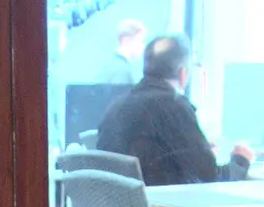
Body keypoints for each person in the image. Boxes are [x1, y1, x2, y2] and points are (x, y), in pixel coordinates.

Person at [95, 34, 252, 187]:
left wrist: (197, 149)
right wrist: (240, 161)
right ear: (183, 74)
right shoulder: (174, 106)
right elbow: (210, 177)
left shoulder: (116, 106)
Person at [95, 19, 146, 85]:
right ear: (126, 40)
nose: (143, 46)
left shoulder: (113, 65)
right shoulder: (121, 70)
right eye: (141, 41)